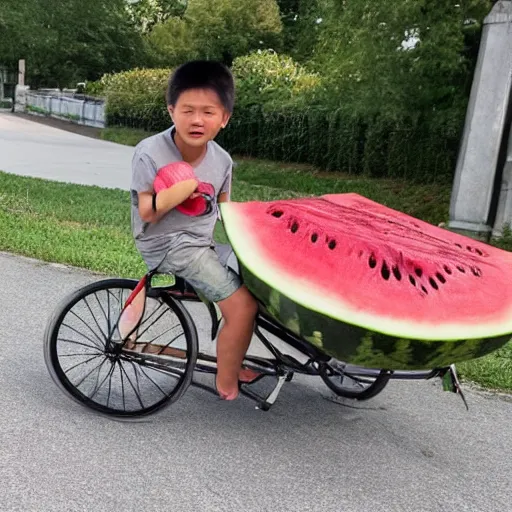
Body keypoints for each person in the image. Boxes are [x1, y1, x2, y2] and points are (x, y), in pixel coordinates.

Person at [128, 60, 259, 400]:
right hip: (166, 244)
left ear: (224, 118)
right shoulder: (150, 152)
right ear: (171, 110)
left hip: (203, 242)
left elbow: (225, 210)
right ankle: (226, 378)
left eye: (208, 112)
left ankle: (233, 356)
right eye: (187, 110)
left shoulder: (222, 160)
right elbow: (147, 213)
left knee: (260, 281)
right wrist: (181, 189)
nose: (197, 120)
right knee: (243, 308)